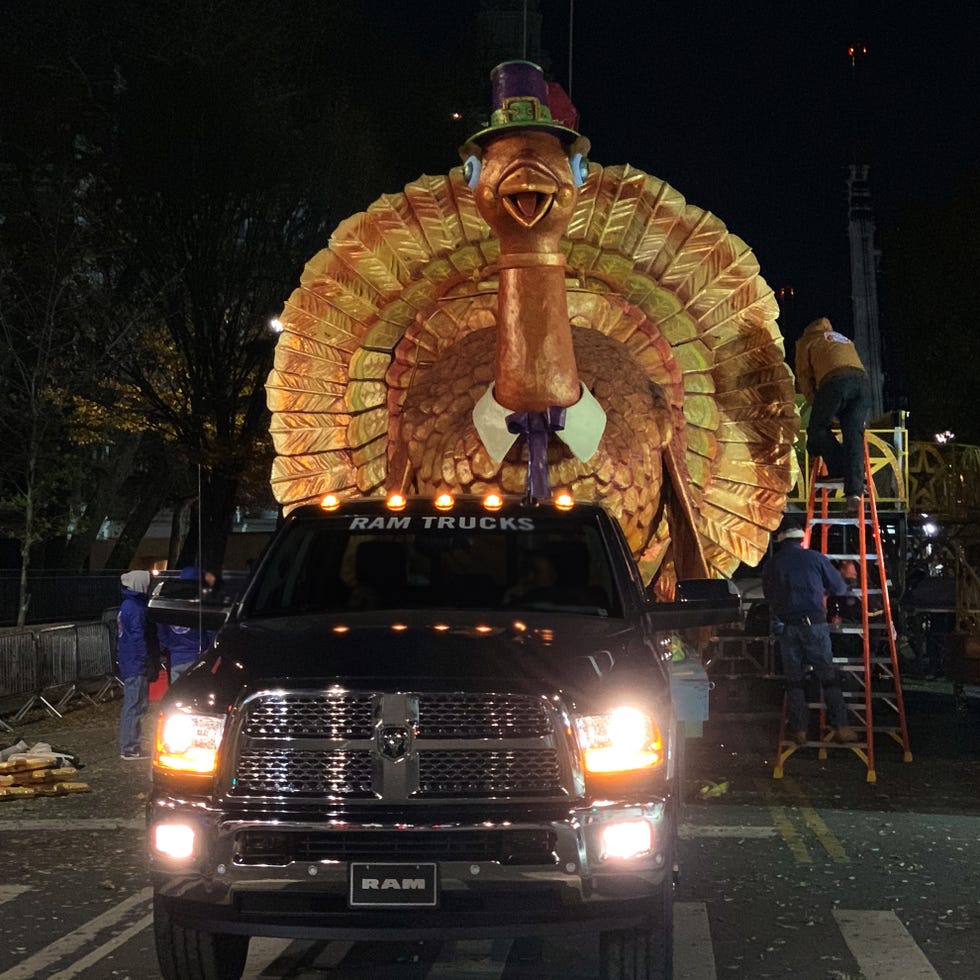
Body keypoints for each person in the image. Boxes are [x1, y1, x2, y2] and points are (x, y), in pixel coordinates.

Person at [762, 517, 858, 745]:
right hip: (814, 625)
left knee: (794, 681)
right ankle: (841, 726)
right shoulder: (815, 558)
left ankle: (800, 731)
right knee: (828, 677)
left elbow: (769, 595)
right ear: (801, 537)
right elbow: (839, 587)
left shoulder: (773, 564)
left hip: (787, 628)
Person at [794, 316, 872, 512]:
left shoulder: (807, 342)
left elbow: (804, 377)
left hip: (835, 382)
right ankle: (854, 490)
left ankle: (838, 470)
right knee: (853, 434)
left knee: (817, 430)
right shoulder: (841, 338)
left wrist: (817, 404)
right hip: (862, 384)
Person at [117, 570, 156, 759]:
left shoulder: (127, 605)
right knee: (135, 704)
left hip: (129, 661)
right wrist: (145, 659)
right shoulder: (136, 608)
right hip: (135, 662)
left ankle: (131, 745)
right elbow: (138, 637)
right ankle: (130, 747)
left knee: (133, 704)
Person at [157, 566, 217, 683]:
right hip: (197, 657)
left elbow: (161, 629)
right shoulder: (201, 604)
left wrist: (170, 646)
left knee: (178, 696)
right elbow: (210, 630)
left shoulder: (171, 602)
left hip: (175, 658)